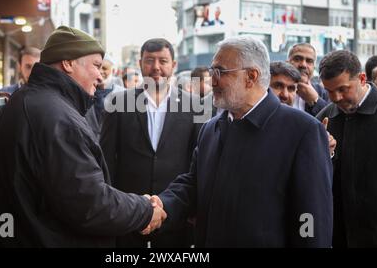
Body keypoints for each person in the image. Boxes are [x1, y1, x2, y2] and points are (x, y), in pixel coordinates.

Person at [0, 26, 166, 247]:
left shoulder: (31, 100)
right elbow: (90, 204)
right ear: (68, 63)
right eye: (96, 66)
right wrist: (144, 209)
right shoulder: (57, 117)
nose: (100, 76)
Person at [147, 36, 333, 247]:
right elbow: (193, 185)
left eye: (220, 72)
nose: (212, 80)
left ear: (251, 76)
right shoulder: (211, 129)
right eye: (211, 72)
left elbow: (311, 217)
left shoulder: (303, 131)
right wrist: (161, 205)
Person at [100, 38, 202, 248]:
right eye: (149, 61)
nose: (156, 67)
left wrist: (192, 209)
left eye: (163, 61)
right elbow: (106, 160)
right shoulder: (118, 104)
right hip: (127, 214)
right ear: (140, 64)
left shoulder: (194, 106)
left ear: (173, 65)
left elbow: (197, 163)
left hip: (174, 216)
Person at [316, 50, 377, 247]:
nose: (336, 97)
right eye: (329, 91)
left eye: (343, 89)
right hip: (338, 234)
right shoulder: (324, 118)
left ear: (362, 78)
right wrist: (324, 153)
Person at [287, 43, 329, 116]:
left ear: (314, 67)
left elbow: (331, 121)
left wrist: (315, 101)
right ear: (287, 63)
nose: (303, 65)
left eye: (309, 61)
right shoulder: (274, 90)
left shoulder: (324, 93)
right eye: (297, 59)